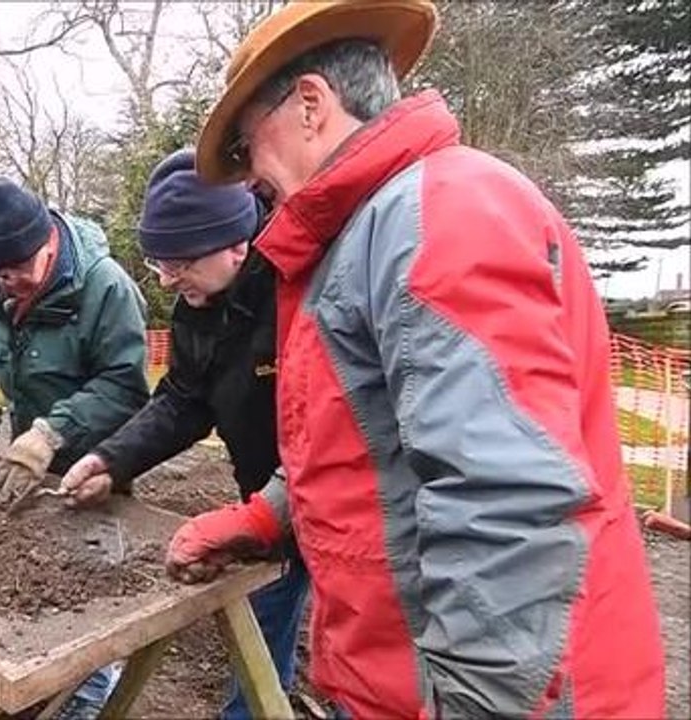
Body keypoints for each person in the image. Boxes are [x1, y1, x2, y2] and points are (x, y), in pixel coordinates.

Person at [165, 1, 667, 718]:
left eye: (248, 147)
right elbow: (372, 445)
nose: (248, 180)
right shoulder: (368, 237)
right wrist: (266, 519)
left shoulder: (441, 216)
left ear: (311, 105)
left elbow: (504, 504)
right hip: (398, 681)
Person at [59, 148, 309, 717]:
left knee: (364, 666)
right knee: (265, 615)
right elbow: (184, 398)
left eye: (182, 264)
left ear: (237, 246)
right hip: (268, 504)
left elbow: (342, 430)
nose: (169, 279)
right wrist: (112, 459)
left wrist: (266, 511)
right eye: (159, 265)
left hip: (341, 502)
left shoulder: (300, 290)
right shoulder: (197, 301)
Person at [0, 176, 150, 718]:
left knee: (89, 594)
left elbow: (125, 386)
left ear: (48, 243)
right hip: (25, 457)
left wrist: (49, 433)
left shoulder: (105, 288)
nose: (7, 282)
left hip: (96, 460)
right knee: (33, 577)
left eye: (18, 270)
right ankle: (33, 679)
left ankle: (84, 699)